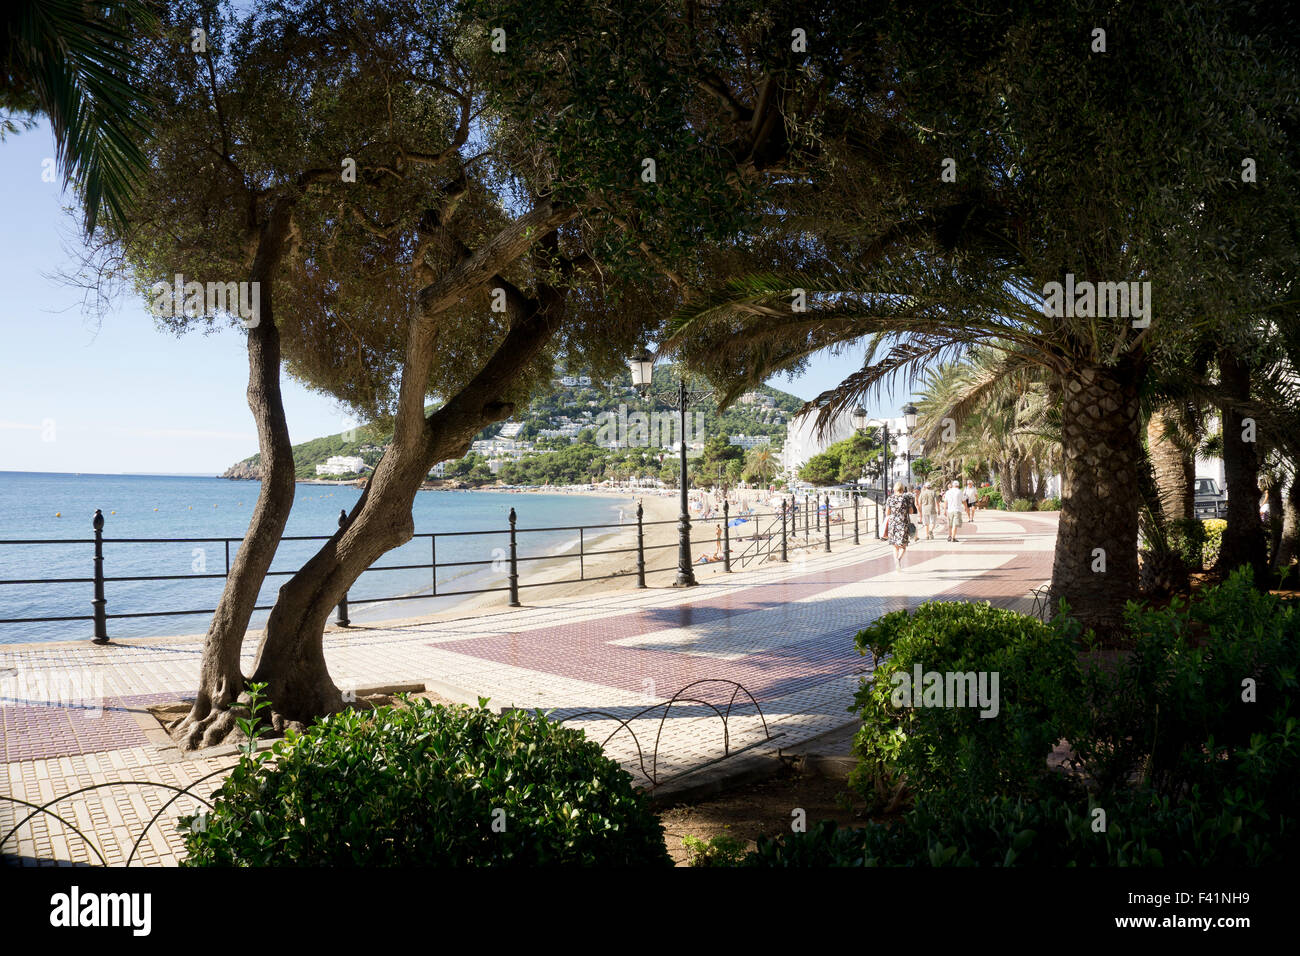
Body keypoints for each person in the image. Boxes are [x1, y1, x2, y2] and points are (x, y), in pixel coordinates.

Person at [883, 480, 916, 570]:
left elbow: (887, 513)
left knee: (895, 546)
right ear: (903, 489)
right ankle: (898, 559)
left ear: (895, 489)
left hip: (893, 523)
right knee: (903, 546)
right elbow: (911, 511)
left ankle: (896, 560)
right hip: (903, 523)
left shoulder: (890, 498)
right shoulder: (906, 498)